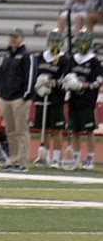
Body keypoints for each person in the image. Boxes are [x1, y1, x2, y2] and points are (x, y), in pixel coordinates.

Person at [63, 29, 101, 170]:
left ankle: (90, 158)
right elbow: (66, 77)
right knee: (75, 131)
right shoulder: (72, 60)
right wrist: (69, 84)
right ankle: (77, 158)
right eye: (80, 42)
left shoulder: (94, 61)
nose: (82, 44)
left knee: (89, 130)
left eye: (85, 41)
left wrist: (82, 85)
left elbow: (98, 81)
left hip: (87, 100)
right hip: (74, 100)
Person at [32, 29, 69, 168]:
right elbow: (35, 74)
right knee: (44, 129)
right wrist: (39, 83)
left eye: (57, 41)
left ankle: (56, 159)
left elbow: (65, 79)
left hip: (56, 98)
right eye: (53, 41)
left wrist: (52, 82)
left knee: (57, 130)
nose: (55, 43)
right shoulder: (41, 57)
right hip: (41, 97)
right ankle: (44, 157)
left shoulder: (64, 59)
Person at [0, 28, 34, 172]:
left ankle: (23, 162)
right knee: (10, 131)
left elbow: (31, 76)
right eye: (11, 36)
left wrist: (26, 95)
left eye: (16, 37)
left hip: (19, 98)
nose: (13, 39)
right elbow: (2, 75)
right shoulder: (7, 56)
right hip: (6, 97)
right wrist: (1, 93)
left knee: (21, 131)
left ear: (22, 38)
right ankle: (13, 160)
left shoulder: (27, 55)